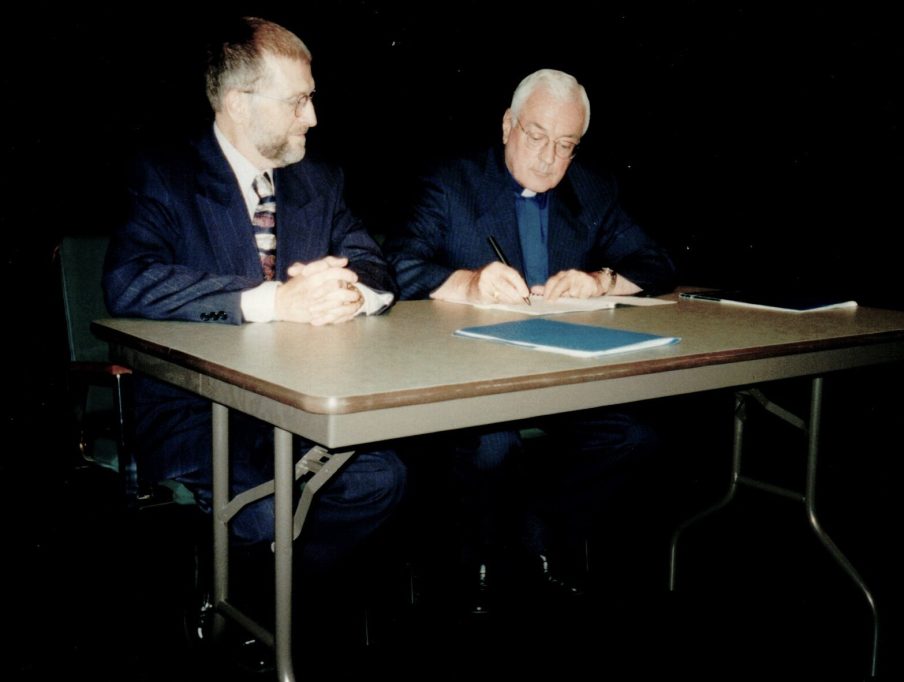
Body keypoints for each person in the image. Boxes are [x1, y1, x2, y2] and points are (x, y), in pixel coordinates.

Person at [103, 17, 405, 584]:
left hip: (297, 402)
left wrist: (348, 294)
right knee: (266, 510)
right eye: (296, 102)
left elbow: (376, 267)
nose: (312, 117)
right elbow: (129, 281)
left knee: (380, 481)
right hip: (196, 408)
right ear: (240, 104)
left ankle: (275, 603)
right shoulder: (163, 176)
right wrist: (275, 301)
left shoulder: (320, 180)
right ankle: (252, 608)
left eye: (310, 99)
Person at [386, 68, 676, 611]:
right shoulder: (452, 183)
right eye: (536, 136)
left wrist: (600, 280)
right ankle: (467, 562)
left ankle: (540, 528)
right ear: (507, 126)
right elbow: (393, 267)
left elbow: (657, 262)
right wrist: (467, 282)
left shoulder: (593, 191)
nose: (548, 158)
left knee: (633, 438)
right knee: (493, 447)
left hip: (559, 374)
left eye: (565, 146)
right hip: (469, 377)